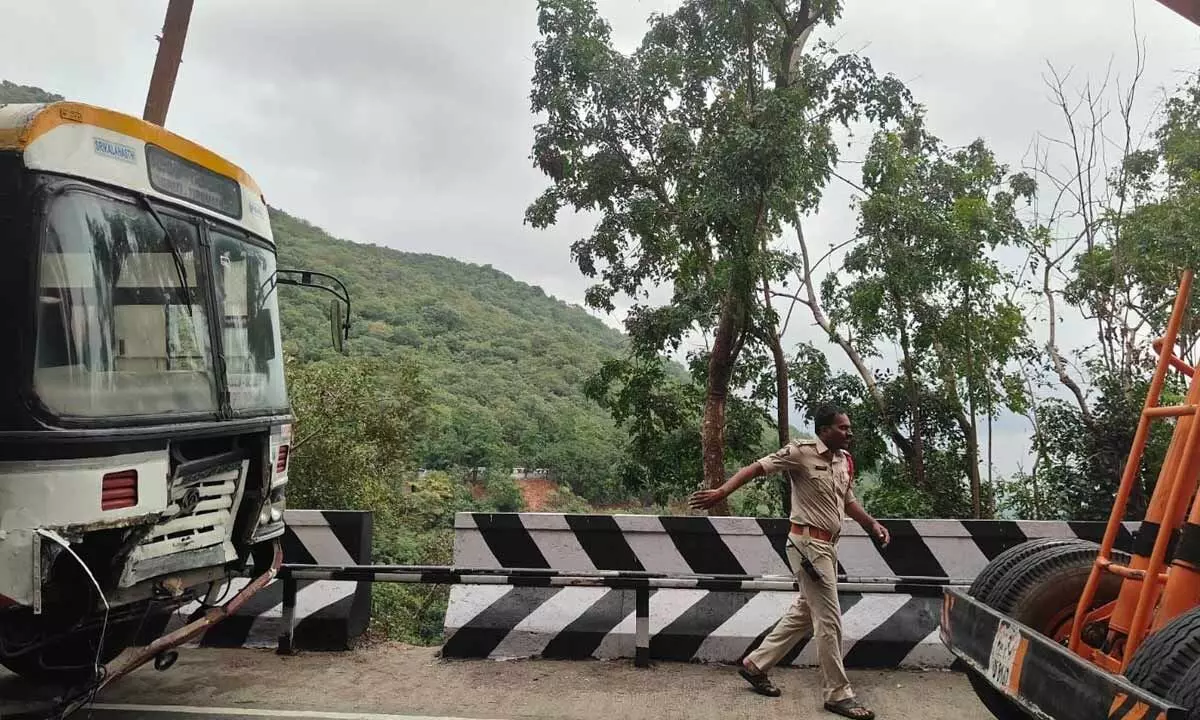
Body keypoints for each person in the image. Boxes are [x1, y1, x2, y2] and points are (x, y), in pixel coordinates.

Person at [688, 403, 888, 720]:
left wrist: (871, 524)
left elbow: (847, 500)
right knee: (830, 619)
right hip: (807, 546)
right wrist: (721, 492)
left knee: (806, 612)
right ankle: (838, 694)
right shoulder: (800, 453)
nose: (848, 432)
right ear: (823, 430)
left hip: (828, 547)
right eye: (842, 427)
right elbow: (755, 468)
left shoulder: (844, 461)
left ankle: (757, 665)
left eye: (848, 427)